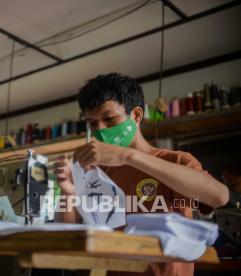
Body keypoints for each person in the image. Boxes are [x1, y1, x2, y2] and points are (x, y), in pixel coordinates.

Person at [53, 73, 229, 276]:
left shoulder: (175, 162)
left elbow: (219, 196)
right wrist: (67, 190)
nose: (100, 130)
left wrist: (129, 156)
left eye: (109, 119)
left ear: (136, 115)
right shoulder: (95, 171)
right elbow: (66, 232)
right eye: (93, 123)